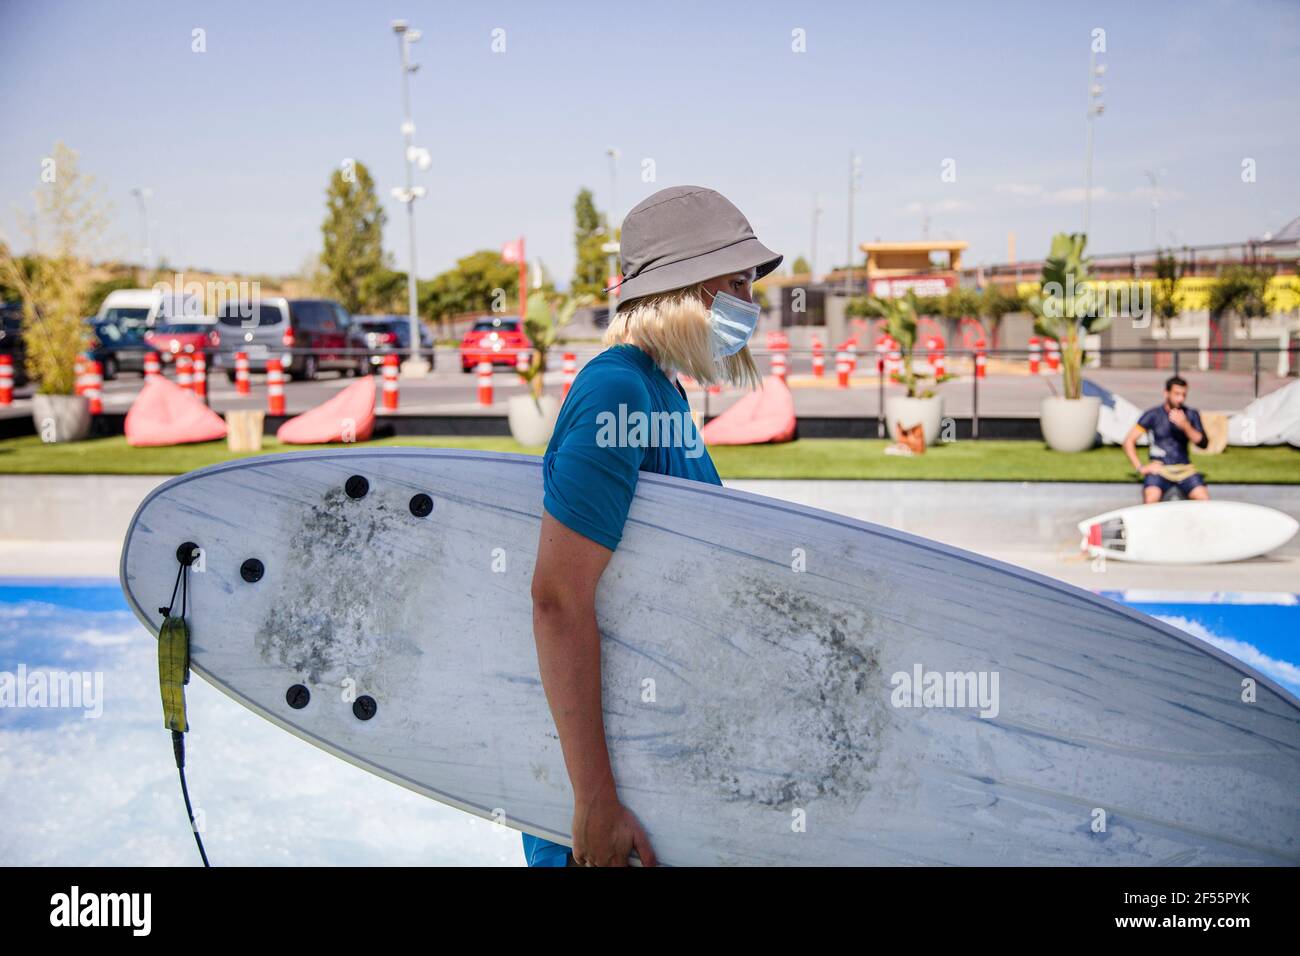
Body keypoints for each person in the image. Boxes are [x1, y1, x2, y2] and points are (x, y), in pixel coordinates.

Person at [523, 185, 781, 867]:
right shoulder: (619, 389)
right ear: (684, 289)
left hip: (657, 783)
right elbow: (558, 599)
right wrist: (595, 803)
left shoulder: (661, 390)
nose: (750, 304)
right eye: (736, 283)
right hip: (610, 818)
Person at [1121, 375, 1210, 503]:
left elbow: (1203, 443)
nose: (1180, 398)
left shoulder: (1191, 414)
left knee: (1204, 498)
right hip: (1160, 469)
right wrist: (1141, 468)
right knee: (1151, 498)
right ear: (1166, 393)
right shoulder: (1152, 415)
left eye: (1184, 395)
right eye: (1177, 394)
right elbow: (1128, 441)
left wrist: (1185, 426)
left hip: (1185, 470)